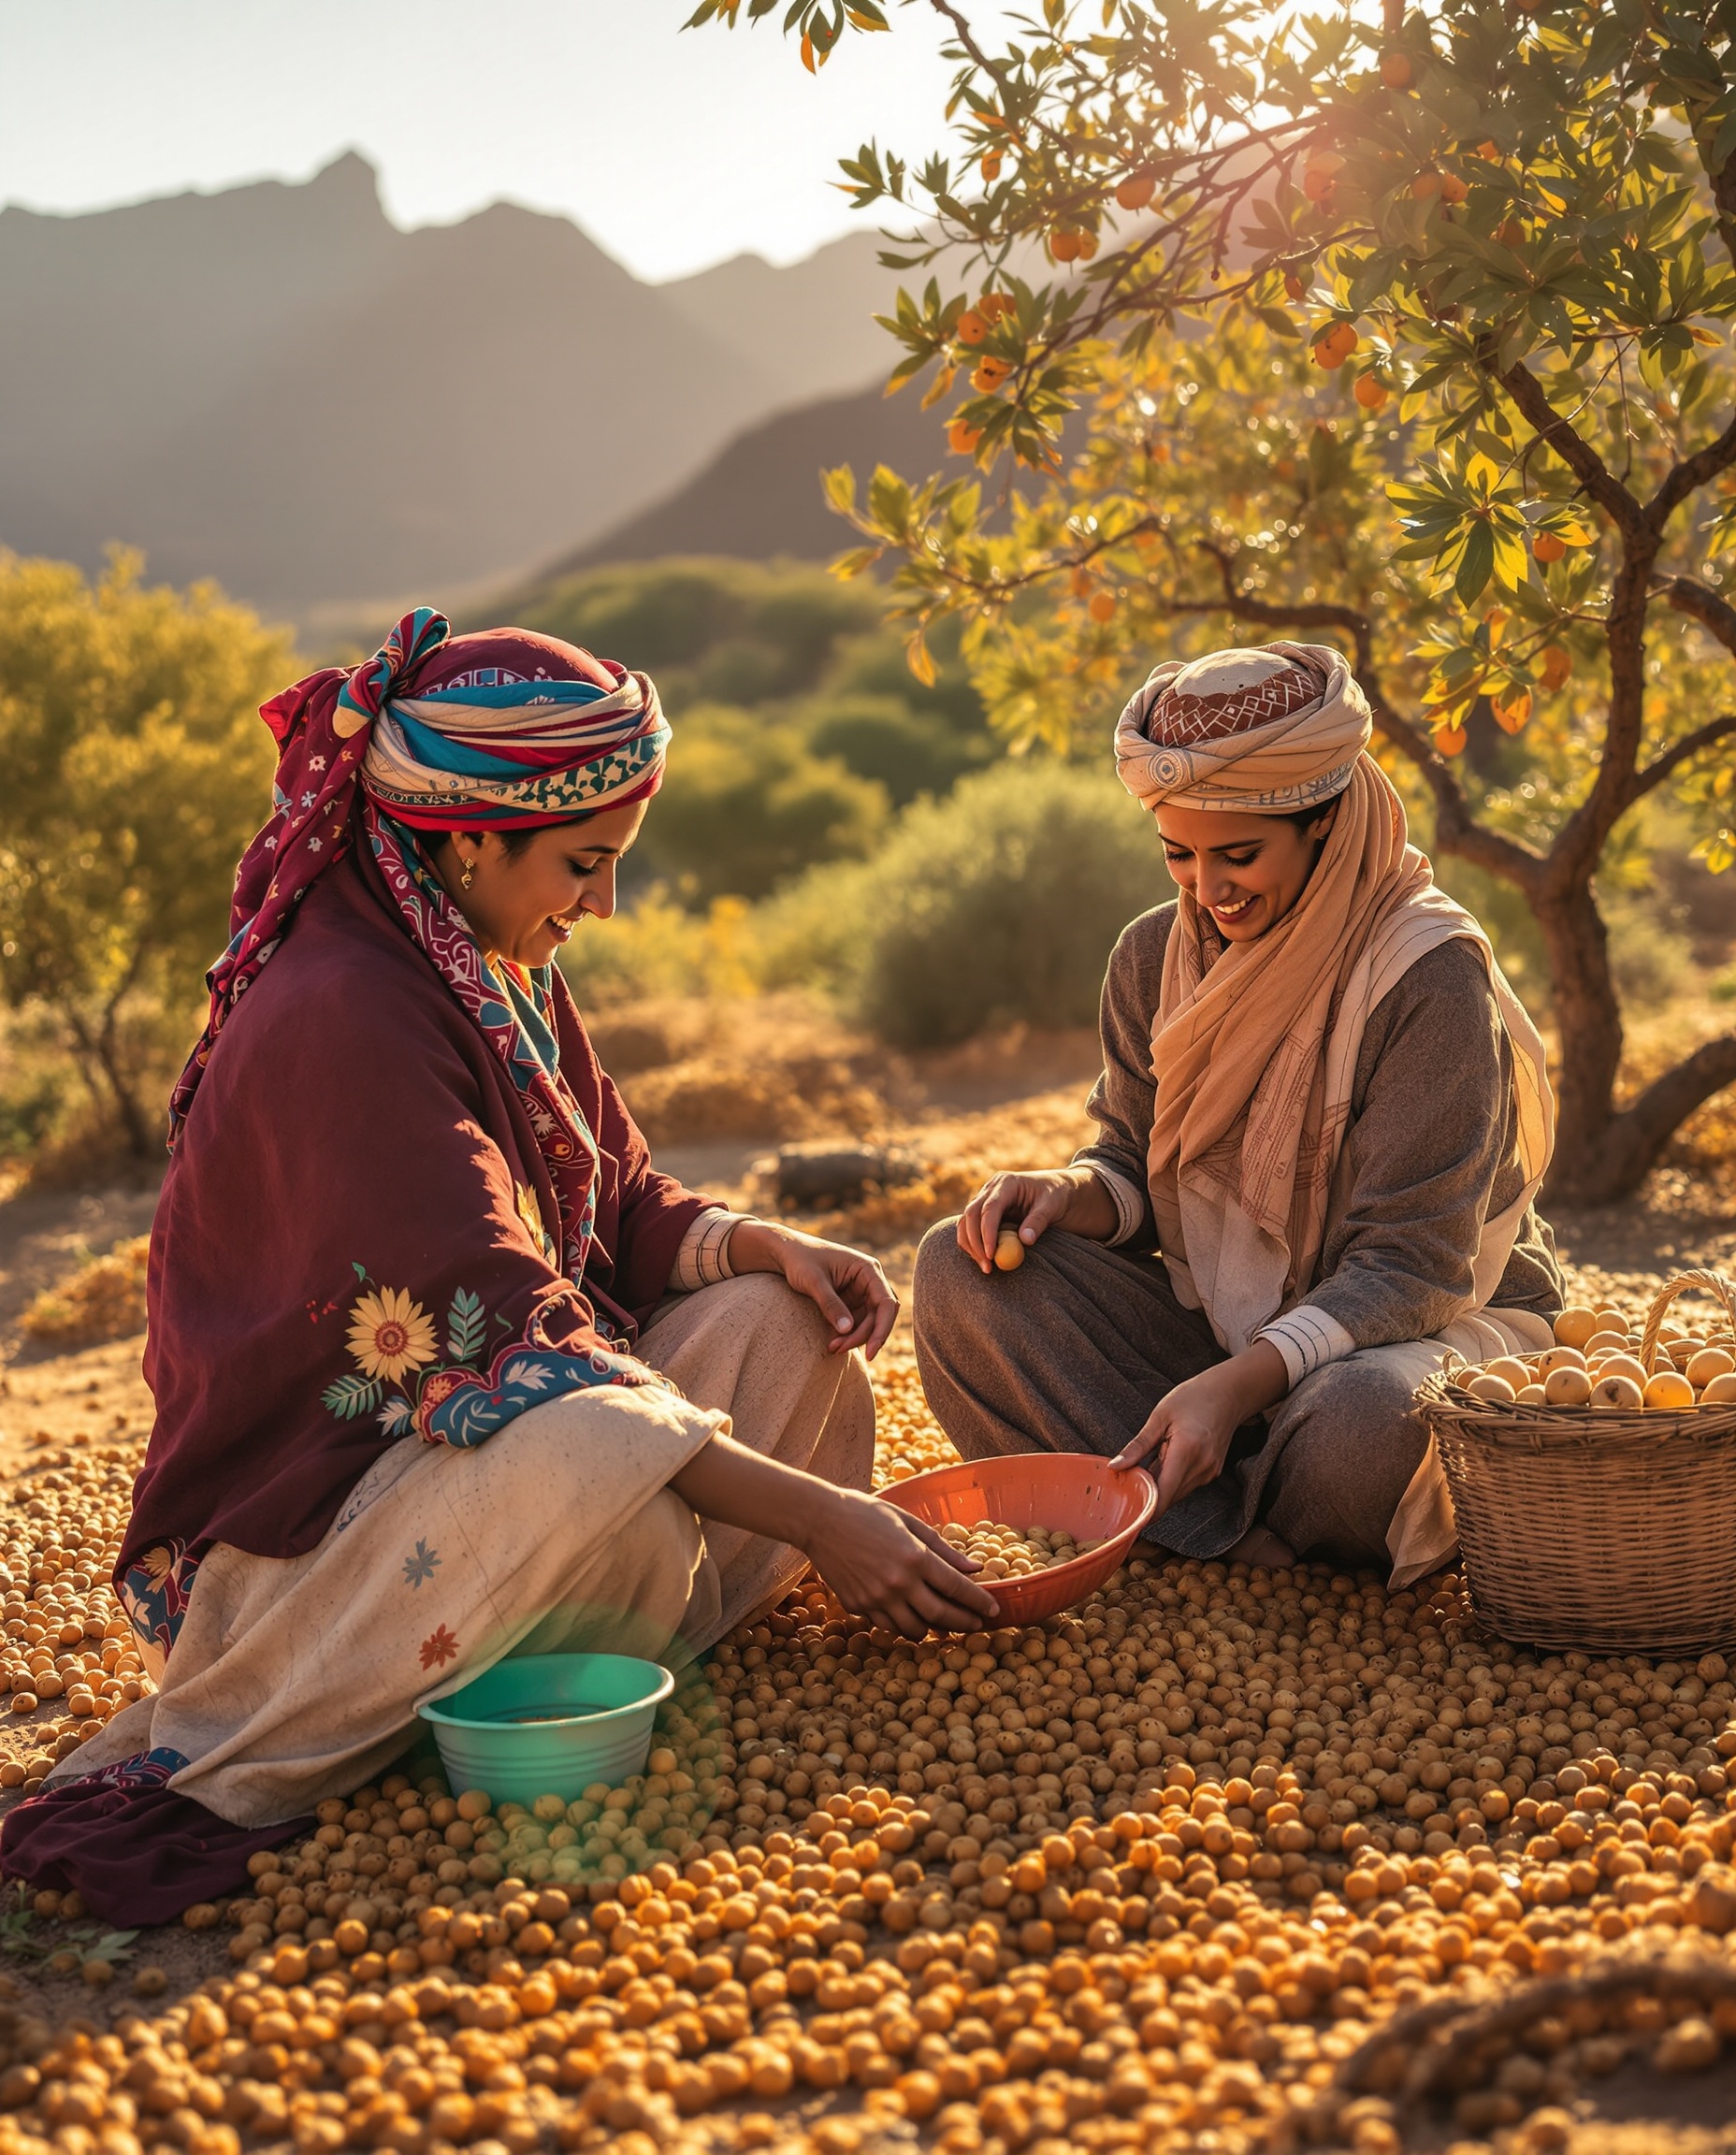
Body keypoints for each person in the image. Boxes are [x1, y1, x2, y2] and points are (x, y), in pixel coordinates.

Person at [3, 609, 993, 1920]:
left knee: (777, 1327)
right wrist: (821, 1519)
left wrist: (766, 1242)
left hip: (471, 1445)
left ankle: (579, 1653)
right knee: (609, 1472)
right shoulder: (343, 1015)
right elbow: (508, 1328)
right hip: (322, 1534)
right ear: (470, 838)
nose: (605, 902)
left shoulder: (475, 951)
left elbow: (612, 1196)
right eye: (586, 865)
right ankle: (435, 1686)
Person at [913, 641, 1562, 1584]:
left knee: (1366, 1428)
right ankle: (1232, 1522)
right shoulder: (1152, 957)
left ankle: (1195, 1510)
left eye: (1238, 856)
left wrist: (1231, 1387)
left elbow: (1412, 1267)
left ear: (1326, 828)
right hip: (1228, 1324)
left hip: (1416, 1330)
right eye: (1177, 854)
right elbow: (1134, 1164)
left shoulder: (1426, 978)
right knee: (956, 1271)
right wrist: (1065, 1192)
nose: (1206, 893)